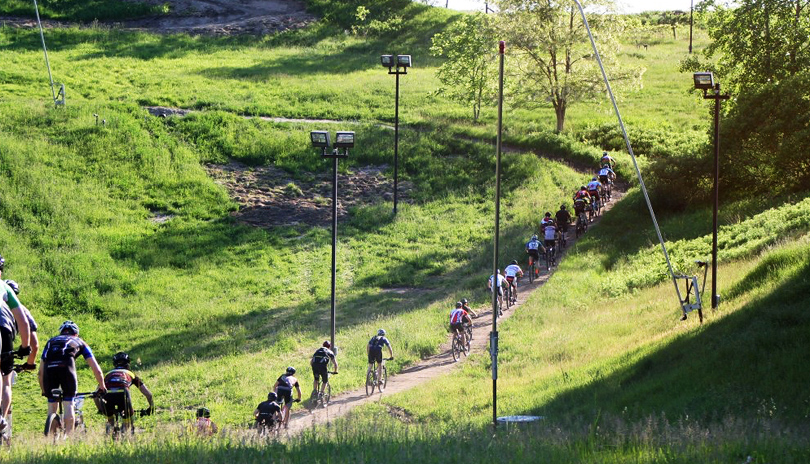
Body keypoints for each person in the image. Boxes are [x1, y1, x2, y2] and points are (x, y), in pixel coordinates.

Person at [38, 321, 106, 436]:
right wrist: (102, 386)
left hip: (50, 371)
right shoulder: (80, 341)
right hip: (67, 369)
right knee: (68, 403)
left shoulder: (51, 342)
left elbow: (40, 372)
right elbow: (96, 368)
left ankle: (50, 440)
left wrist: (44, 390)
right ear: (76, 334)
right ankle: (69, 439)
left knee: (52, 407)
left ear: (61, 332)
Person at [0, 255, 31, 434]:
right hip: (5, 330)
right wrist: (25, 346)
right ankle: (2, 421)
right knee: (6, 379)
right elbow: (23, 320)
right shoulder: (4, 286)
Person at [99, 352, 154, 434]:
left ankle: (109, 438)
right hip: (123, 393)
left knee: (110, 421)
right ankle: (124, 436)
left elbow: (96, 394)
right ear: (128, 364)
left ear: (114, 364)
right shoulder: (130, 374)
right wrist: (151, 407)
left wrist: (100, 409)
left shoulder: (108, 374)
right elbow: (148, 394)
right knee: (127, 422)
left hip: (106, 395)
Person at [3, 280, 39, 371]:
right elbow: (34, 344)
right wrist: (30, 363)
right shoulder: (23, 311)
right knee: (6, 378)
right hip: (6, 342)